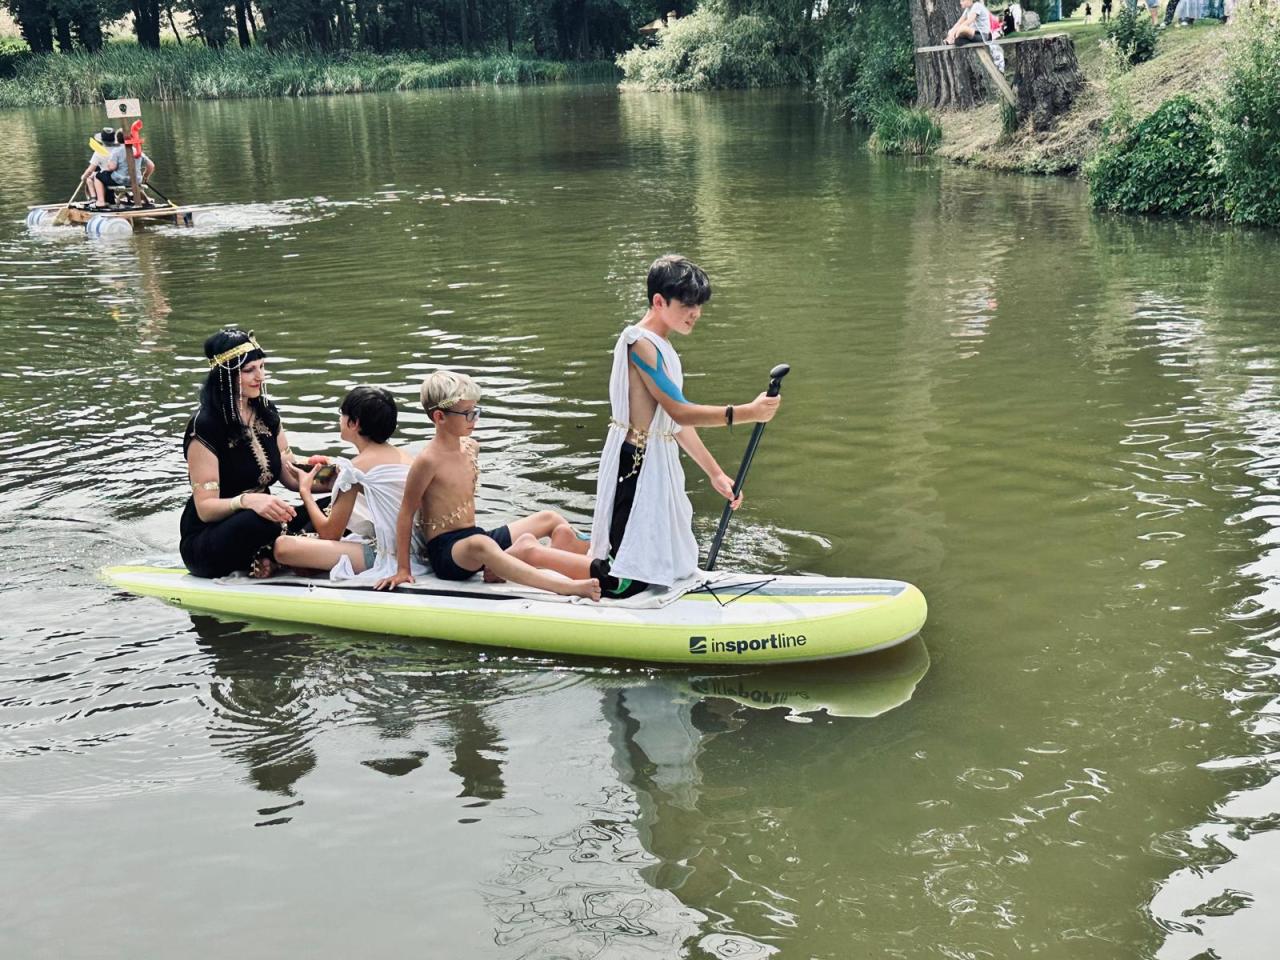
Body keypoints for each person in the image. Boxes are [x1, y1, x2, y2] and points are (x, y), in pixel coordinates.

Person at [580, 254, 781, 599]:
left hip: (656, 462)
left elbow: (671, 422)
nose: (696, 313)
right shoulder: (640, 342)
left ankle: (565, 546)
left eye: (699, 305)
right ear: (659, 301)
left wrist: (715, 473)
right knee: (624, 578)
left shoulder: (663, 347)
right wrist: (747, 412)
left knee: (660, 565)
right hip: (635, 463)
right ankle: (532, 556)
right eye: (687, 304)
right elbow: (680, 411)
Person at [376, 370, 601, 600]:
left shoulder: (471, 447)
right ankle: (563, 586)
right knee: (482, 544)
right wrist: (403, 569)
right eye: (467, 414)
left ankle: (559, 564)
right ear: (440, 417)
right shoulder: (428, 461)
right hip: (448, 553)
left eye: (476, 411)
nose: (475, 419)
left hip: (476, 536)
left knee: (549, 518)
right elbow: (406, 512)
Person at [180, 328, 310, 578]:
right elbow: (205, 508)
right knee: (259, 520)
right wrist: (247, 501)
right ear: (225, 375)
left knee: (333, 506)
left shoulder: (266, 412)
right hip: (211, 538)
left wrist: (338, 477)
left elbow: (292, 475)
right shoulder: (205, 425)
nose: (260, 376)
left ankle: (272, 556)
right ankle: (275, 554)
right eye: (250, 370)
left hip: (266, 520)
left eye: (262, 367)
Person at [267, 385, 422, 582]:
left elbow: (330, 534)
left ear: (354, 423)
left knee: (283, 546)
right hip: (416, 550)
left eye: (342, 414)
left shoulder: (354, 469)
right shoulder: (406, 457)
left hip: (386, 556)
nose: (340, 419)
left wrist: (305, 490)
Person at [103, 128, 155, 204]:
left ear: (117, 140)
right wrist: (145, 177)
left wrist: (108, 164)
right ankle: (141, 199)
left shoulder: (116, 151)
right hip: (137, 179)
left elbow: (111, 168)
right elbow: (151, 165)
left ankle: (106, 201)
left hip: (121, 180)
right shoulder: (137, 151)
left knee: (100, 176)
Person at [78, 126, 117, 210]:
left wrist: (83, 177)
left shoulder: (99, 152)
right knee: (94, 175)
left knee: (91, 177)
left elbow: (90, 170)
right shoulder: (119, 149)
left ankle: (96, 199)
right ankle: (95, 198)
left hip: (108, 177)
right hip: (120, 176)